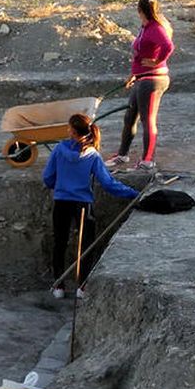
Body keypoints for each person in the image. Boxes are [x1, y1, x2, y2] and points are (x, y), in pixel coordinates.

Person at [43, 114, 139, 300]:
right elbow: (108, 183)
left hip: (61, 202)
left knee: (59, 243)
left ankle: (58, 285)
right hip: (83, 204)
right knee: (86, 245)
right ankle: (82, 286)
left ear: (72, 130)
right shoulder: (93, 155)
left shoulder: (59, 150)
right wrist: (133, 193)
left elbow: (47, 177)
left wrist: (60, 185)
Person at [108, 0, 175, 172]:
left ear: (139, 10)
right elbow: (139, 55)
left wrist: (157, 61)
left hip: (152, 80)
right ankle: (122, 155)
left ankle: (148, 160)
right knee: (129, 117)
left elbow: (168, 46)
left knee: (148, 120)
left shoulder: (156, 28)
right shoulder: (144, 27)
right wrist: (133, 74)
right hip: (141, 78)